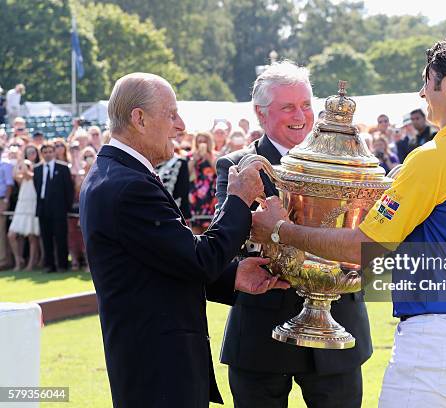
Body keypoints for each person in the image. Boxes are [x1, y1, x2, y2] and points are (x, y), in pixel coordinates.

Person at [251, 29, 446, 407]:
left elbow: (367, 247)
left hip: (440, 332)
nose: (423, 93)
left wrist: (281, 230)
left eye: (427, 80)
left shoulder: (435, 155)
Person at [79, 72, 288, 408]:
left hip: (152, 361)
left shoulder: (117, 174)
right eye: (171, 114)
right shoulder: (128, 185)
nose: (181, 126)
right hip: (158, 367)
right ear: (139, 118)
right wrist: (238, 200)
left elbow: (165, 261)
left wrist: (232, 276)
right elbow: (198, 259)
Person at [215, 61, 372, 408]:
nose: (300, 115)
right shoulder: (239, 165)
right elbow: (226, 239)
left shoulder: (352, 162)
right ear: (261, 112)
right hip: (262, 333)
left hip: (339, 328)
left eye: (305, 105)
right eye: (288, 107)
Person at [33, 142, 73, 272]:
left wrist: (67, 207)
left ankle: (62, 264)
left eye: (50, 151)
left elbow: (69, 189)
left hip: (59, 208)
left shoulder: (63, 168)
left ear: (54, 152)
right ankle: (49, 265)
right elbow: (37, 188)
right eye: (45, 152)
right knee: (46, 238)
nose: (48, 154)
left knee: (61, 236)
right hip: (43, 207)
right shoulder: (37, 169)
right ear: (42, 154)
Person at [8, 145, 40, 271]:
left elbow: (29, 175)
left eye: (33, 152)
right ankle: (18, 260)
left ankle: (31, 264)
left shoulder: (37, 169)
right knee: (11, 235)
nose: (31, 154)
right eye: (28, 152)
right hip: (22, 204)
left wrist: (24, 165)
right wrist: (20, 162)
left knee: (32, 236)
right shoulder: (23, 166)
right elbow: (17, 177)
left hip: (33, 203)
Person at [189, 131, 218, 233]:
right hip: (195, 195)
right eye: (199, 141)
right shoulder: (190, 156)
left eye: (204, 141)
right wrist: (194, 160)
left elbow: (219, 173)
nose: (202, 143)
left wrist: (210, 159)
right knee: (195, 228)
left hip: (210, 195)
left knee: (209, 229)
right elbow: (186, 174)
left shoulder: (215, 156)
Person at [0, 144, 15, 269]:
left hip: (1, 200)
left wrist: (5, 200)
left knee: (1, 231)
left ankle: (4, 261)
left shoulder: (6, 165)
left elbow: (9, 184)